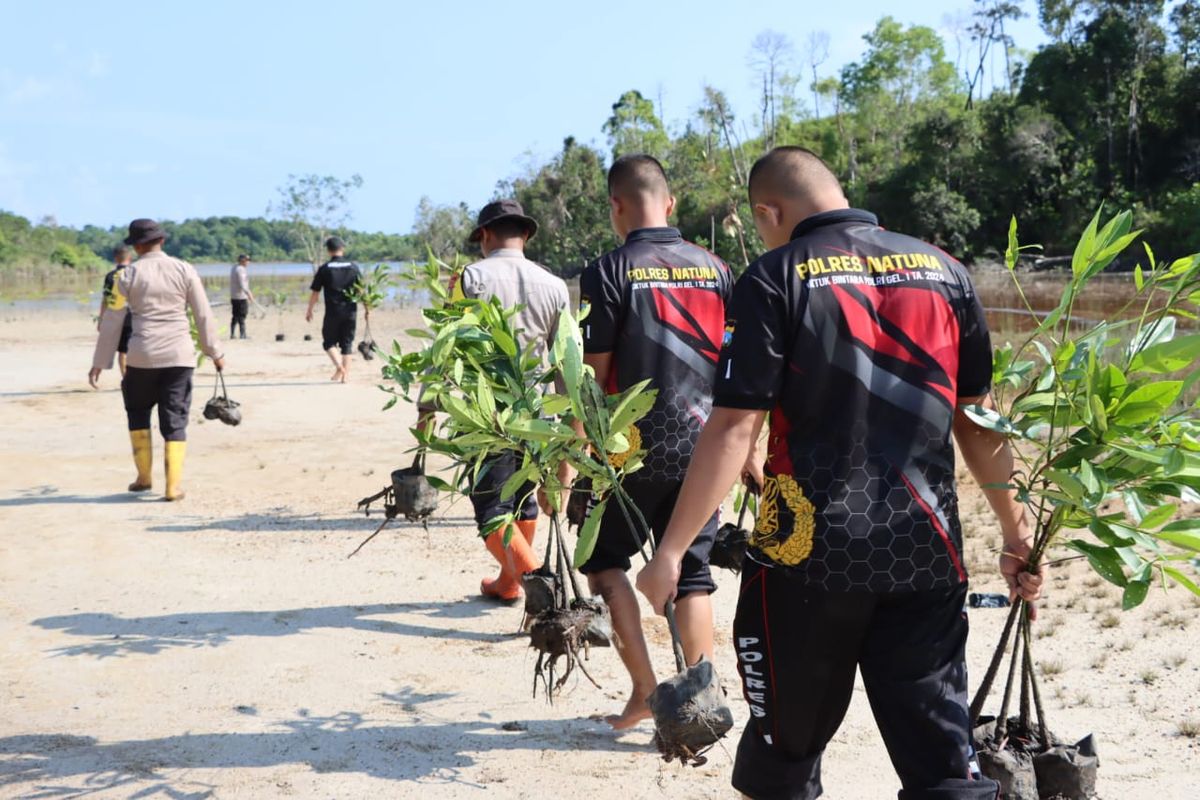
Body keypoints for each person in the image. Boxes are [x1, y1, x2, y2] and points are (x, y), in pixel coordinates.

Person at [636, 146, 1045, 800]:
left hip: (804, 557)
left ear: (770, 211)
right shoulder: (946, 271)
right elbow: (978, 421)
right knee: (942, 758)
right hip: (927, 550)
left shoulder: (775, 276)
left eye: (760, 220)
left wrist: (674, 550)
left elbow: (735, 426)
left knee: (784, 758)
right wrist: (1016, 535)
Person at [566, 154, 732, 730]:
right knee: (691, 571)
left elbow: (591, 376)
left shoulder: (608, 271)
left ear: (615, 207)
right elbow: (735, 365)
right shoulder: (716, 268)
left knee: (604, 563)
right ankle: (702, 700)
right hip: (708, 447)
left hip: (629, 447)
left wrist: (572, 458)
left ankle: (643, 690)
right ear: (672, 202)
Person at [420, 199, 569, 602]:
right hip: (539, 415)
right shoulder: (555, 285)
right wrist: (568, 432)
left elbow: (444, 349)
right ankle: (508, 584)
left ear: (485, 236)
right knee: (523, 501)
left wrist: (426, 408)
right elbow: (563, 364)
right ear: (525, 235)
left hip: (487, 416)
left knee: (491, 512)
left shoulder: (468, 279)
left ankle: (544, 587)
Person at [89, 219, 225, 502]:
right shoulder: (185, 269)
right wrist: (215, 352)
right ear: (161, 241)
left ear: (136, 246)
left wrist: (100, 361)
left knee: (138, 412)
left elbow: (112, 320)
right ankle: (173, 487)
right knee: (174, 418)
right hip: (179, 356)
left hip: (141, 356)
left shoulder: (124, 277)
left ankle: (143, 477)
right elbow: (203, 314)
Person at [305, 237, 361, 382]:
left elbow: (315, 292)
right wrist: (368, 308)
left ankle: (339, 367)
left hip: (333, 311)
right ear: (343, 248)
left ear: (329, 251)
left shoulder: (324, 269)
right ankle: (345, 376)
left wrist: (310, 309)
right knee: (347, 343)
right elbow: (361, 291)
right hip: (351, 311)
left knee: (329, 342)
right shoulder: (354, 267)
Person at [98, 245, 135, 376]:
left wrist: (101, 320)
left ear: (115, 258)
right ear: (130, 258)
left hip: (117, 317)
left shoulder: (110, 276)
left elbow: (106, 300)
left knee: (123, 351)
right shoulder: (135, 274)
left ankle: (125, 379)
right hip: (135, 317)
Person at [229, 254, 254, 339]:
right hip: (241, 297)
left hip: (234, 296)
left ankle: (232, 334)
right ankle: (243, 335)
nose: (248, 262)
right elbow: (242, 284)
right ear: (243, 261)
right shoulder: (241, 269)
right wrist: (249, 293)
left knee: (235, 316)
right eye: (247, 260)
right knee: (242, 315)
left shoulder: (234, 267)